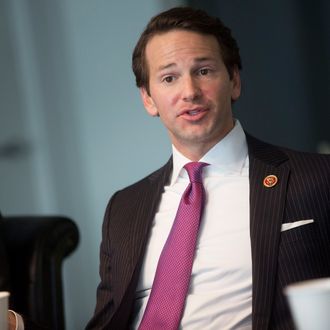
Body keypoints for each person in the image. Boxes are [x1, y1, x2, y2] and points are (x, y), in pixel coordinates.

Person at [85, 6, 330, 329]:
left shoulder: (317, 177)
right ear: (148, 99)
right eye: (169, 78)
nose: (190, 92)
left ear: (235, 81)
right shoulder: (123, 208)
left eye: (203, 71)